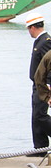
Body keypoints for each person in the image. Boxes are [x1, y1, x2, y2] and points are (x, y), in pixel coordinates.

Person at [26, 11, 51, 156]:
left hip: (43, 86)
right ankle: (40, 148)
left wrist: (48, 85)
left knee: (40, 116)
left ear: (32, 27)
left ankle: (40, 148)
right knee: (36, 117)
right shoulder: (39, 41)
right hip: (37, 85)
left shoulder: (46, 41)